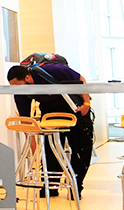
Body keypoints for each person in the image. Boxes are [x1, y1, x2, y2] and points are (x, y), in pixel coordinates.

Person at [7, 61, 93, 197]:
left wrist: (86, 104)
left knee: (81, 149)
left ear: (28, 78)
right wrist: (34, 148)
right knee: (50, 150)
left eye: (18, 85)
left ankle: (76, 186)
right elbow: (26, 121)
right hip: (50, 113)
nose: (17, 90)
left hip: (75, 109)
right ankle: (51, 186)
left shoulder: (52, 70)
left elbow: (81, 80)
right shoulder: (20, 91)